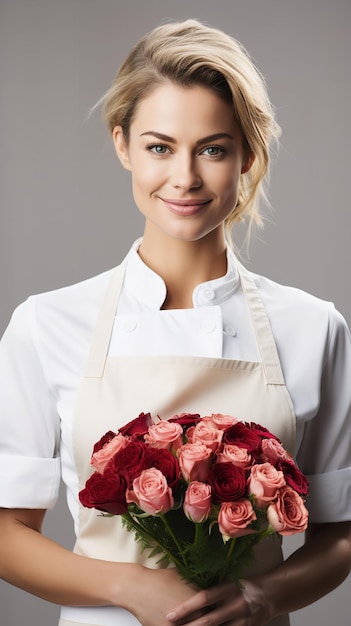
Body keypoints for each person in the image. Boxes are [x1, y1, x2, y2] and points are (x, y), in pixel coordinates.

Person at [0, 18, 350, 626]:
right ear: (122, 145)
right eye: (159, 146)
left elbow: (340, 535)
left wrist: (260, 597)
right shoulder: (46, 324)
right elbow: (7, 531)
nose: (185, 177)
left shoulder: (313, 328)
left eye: (213, 148)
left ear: (248, 153)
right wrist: (127, 586)